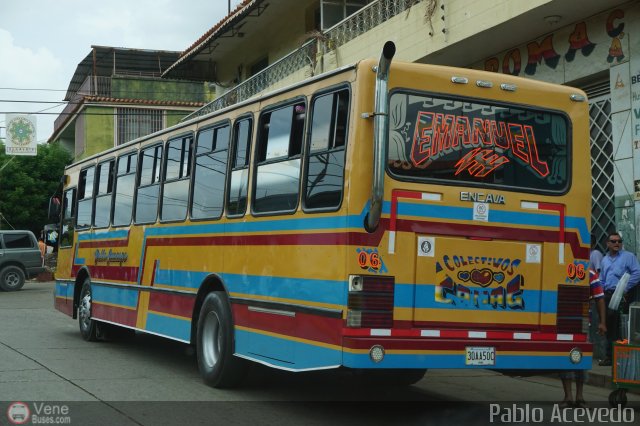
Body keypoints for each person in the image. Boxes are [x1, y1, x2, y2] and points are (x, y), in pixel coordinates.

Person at [560, 268, 607, 408]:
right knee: (565, 357)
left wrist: (602, 323)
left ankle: (579, 396)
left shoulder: (591, 274)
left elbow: (600, 299)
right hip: (564, 319)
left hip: (583, 322)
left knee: (582, 357)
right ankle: (568, 396)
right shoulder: (560, 268)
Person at [598, 231, 640, 366]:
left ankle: (619, 357)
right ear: (608, 244)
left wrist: (625, 288)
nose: (617, 243)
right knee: (608, 325)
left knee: (620, 325)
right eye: (614, 241)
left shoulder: (628, 257)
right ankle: (610, 356)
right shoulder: (604, 260)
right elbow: (602, 278)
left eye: (619, 241)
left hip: (622, 295)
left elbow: (637, 272)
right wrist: (600, 291)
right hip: (607, 295)